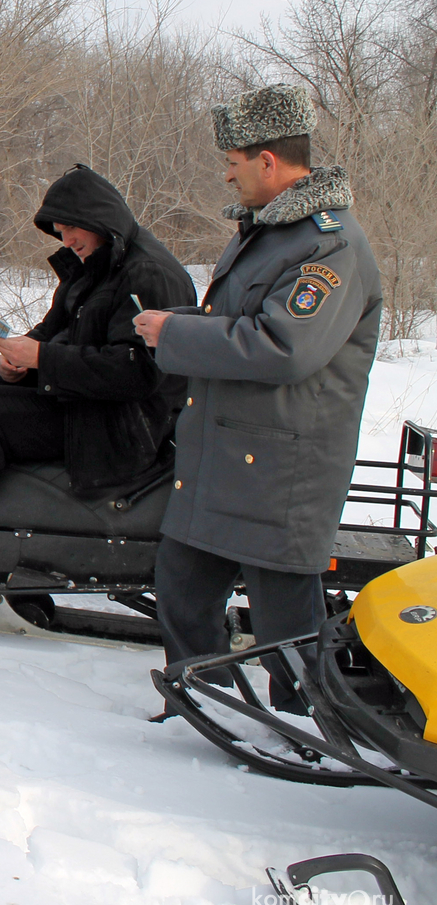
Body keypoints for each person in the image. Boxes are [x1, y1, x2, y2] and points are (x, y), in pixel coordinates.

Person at [135, 83, 382, 713]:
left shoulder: (331, 244)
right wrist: (182, 320)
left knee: (285, 624)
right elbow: (240, 317)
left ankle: (310, 728)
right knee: (183, 587)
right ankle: (207, 705)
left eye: (235, 162)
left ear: (268, 161)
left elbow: (283, 345)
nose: (227, 174)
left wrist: (178, 335)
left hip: (281, 475)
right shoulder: (269, 233)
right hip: (226, 462)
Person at [0, 164, 196, 583]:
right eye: (59, 231)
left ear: (100, 220)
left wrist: (43, 360)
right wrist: (19, 359)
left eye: (72, 229)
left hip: (129, 427)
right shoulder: (99, 265)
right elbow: (56, 329)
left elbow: (137, 373)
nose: (66, 241)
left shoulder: (149, 275)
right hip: (94, 405)